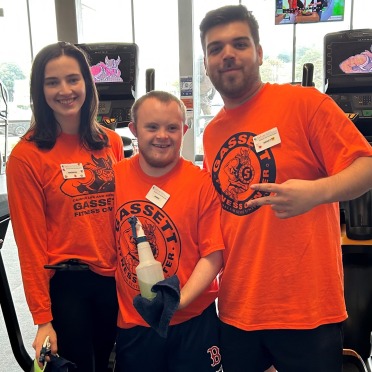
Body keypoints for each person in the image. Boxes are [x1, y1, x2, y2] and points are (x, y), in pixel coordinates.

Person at [199, 5, 372, 372]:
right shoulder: (212, 132)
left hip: (306, 311)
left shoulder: (305, 105)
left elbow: (366, 166)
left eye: (239, 44)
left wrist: (316, 193)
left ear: (259, 53)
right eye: (215, 49)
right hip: (237, 309)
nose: (227, 55)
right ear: (206, 62)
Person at [6, 41, 124, 372]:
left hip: (112, 279)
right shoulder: (26, 156)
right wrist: (43, 318)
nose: (65, 90)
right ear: (38, 90)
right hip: (67, 285)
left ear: (87, 82)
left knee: (108, 363)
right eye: (52, 81)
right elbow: (29, 244)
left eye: (73, 79)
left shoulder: (109, 142)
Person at [113, 90, 224, 372]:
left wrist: (177, 302)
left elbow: (213, 255)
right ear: (134, 129)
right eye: (152, 127)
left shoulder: (202, 185)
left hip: (193, 320)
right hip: (137, 322)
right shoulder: (115, 178)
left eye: (172, 127)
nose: (162, 135)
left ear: (184, 131)